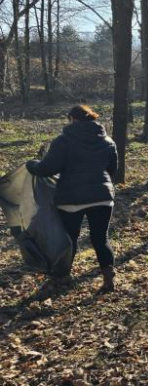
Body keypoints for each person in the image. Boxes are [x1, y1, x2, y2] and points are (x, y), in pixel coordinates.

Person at [26, 105, 118, 293]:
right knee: (101, 239)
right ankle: (109, 279)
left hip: (71, 199)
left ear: (73, 119)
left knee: (69, 239)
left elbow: (47, 169)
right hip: (102, 197)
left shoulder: (63, 141)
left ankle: (63, 278)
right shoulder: (108, 141)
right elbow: (112, 169)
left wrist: (32, 164)